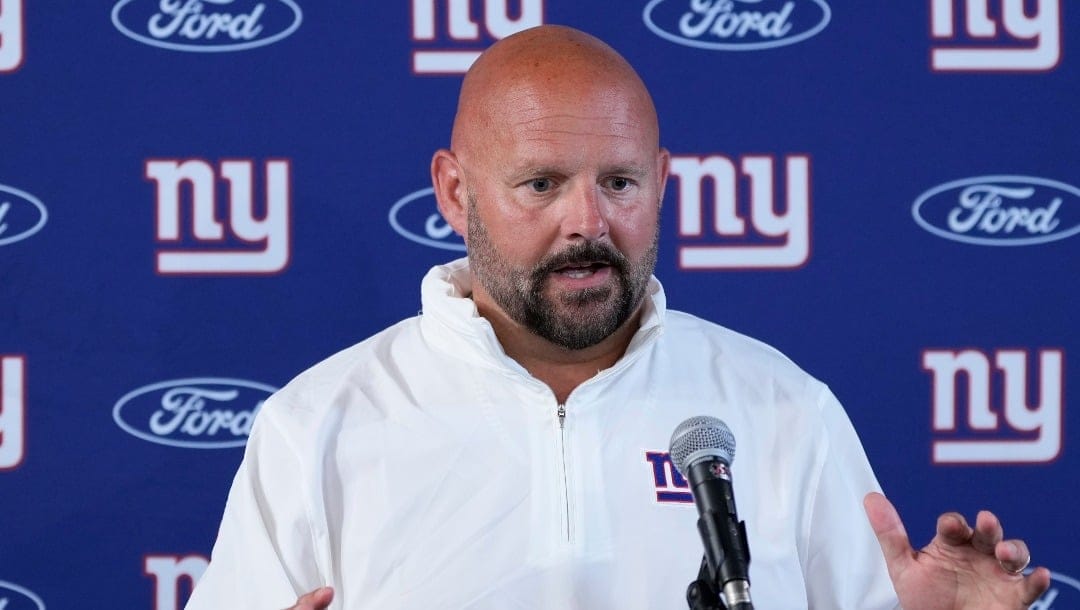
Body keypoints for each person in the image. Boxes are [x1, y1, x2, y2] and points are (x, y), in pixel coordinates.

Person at [185, 25, 1050, 610]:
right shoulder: (318, 425)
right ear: (455, 191)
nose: (588, 224)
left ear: (663, 183)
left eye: (620, 183)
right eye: (541, 184)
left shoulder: (782, 407)